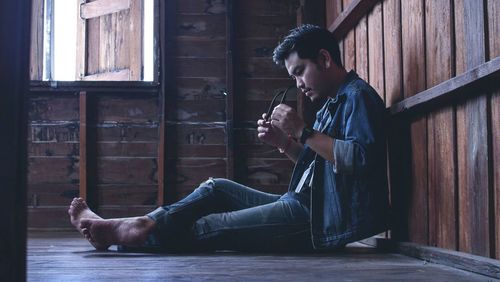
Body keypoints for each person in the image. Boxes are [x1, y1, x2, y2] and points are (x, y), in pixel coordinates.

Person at [68, 24, 390, 252]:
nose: (299, 84)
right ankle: (139, 224)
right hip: (300, 202)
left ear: (324, 58)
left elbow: (360, 160)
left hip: (317, 219)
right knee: (216, 187)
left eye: (300, 71)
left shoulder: (357, 97)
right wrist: (285, 144)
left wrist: (303, 131)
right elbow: (321, 164)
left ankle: (126, 233)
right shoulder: (333, 102)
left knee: (210, 227)